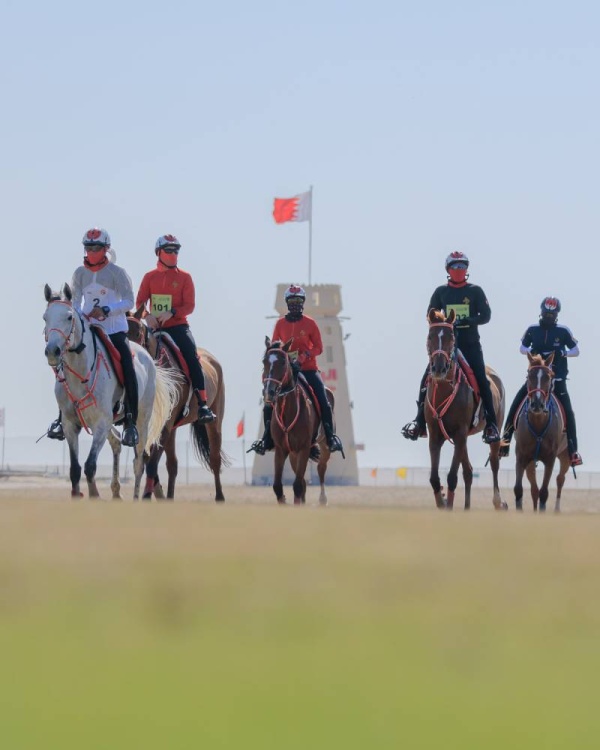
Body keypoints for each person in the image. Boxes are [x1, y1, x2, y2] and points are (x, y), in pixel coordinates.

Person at [46, 228, 139, 446]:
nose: (91, 251)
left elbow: (129, 301)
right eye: (88, 247)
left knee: (128, 365)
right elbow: (76, 302)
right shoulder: (79, 273)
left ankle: (132, 422)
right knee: (64, 363)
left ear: (106, 248)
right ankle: (61, 419)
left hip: (114, 329)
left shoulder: (117, 273)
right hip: (89, 329)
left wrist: (107, 310)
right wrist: (78, 318)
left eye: (96, 247)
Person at [402, 251, 501, 444]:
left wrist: (468, 320)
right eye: (455, 266)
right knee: (425, 379)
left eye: (462, 266)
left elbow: (486, 315)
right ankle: (419, 422)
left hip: (470, 344)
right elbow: (430, 315)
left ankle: (490, 424)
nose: (459, 270)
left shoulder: (475, 291)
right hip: (446, 348)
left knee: (482, 378)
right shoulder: (441, 292)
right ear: (448, 269)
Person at [249, 284, 343, 456]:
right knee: (269, 401)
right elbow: (276, 346)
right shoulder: (280, 324)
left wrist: (304, 356)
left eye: (298, 301)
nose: (294, 304)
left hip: (308, 369)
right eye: (291, 301)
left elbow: (319, 347)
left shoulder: (310, 323)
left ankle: (331, 437)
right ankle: (266, 439)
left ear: (302, 303)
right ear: (286, 302)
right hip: (287, 372)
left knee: (324, 399)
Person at [136, 234, 215, 424]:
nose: (173, 254)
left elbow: (190, 306)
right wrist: (147, 316)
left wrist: (172, 313)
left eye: (176, 250)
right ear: (159, 253)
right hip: (154, 329)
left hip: (178, 327)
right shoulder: (149, 277)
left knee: (192, 357)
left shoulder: (185, 277)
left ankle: (202, 404)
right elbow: (139, 302)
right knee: (134, 356)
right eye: (169, 250)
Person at [500, 296, 582, 466]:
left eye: (552, 314)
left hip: (557, 380)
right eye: (546, 313)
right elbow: (522, 347)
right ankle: (505, 439)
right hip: (535, 381)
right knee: (516, 403)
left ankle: (573, 451)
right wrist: (532, 351)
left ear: (556, 314)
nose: (548, 316)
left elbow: (576, 350)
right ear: (541, 312)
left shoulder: (563, 331)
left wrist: (563, 353)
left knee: (569, 412)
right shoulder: (532, 329)